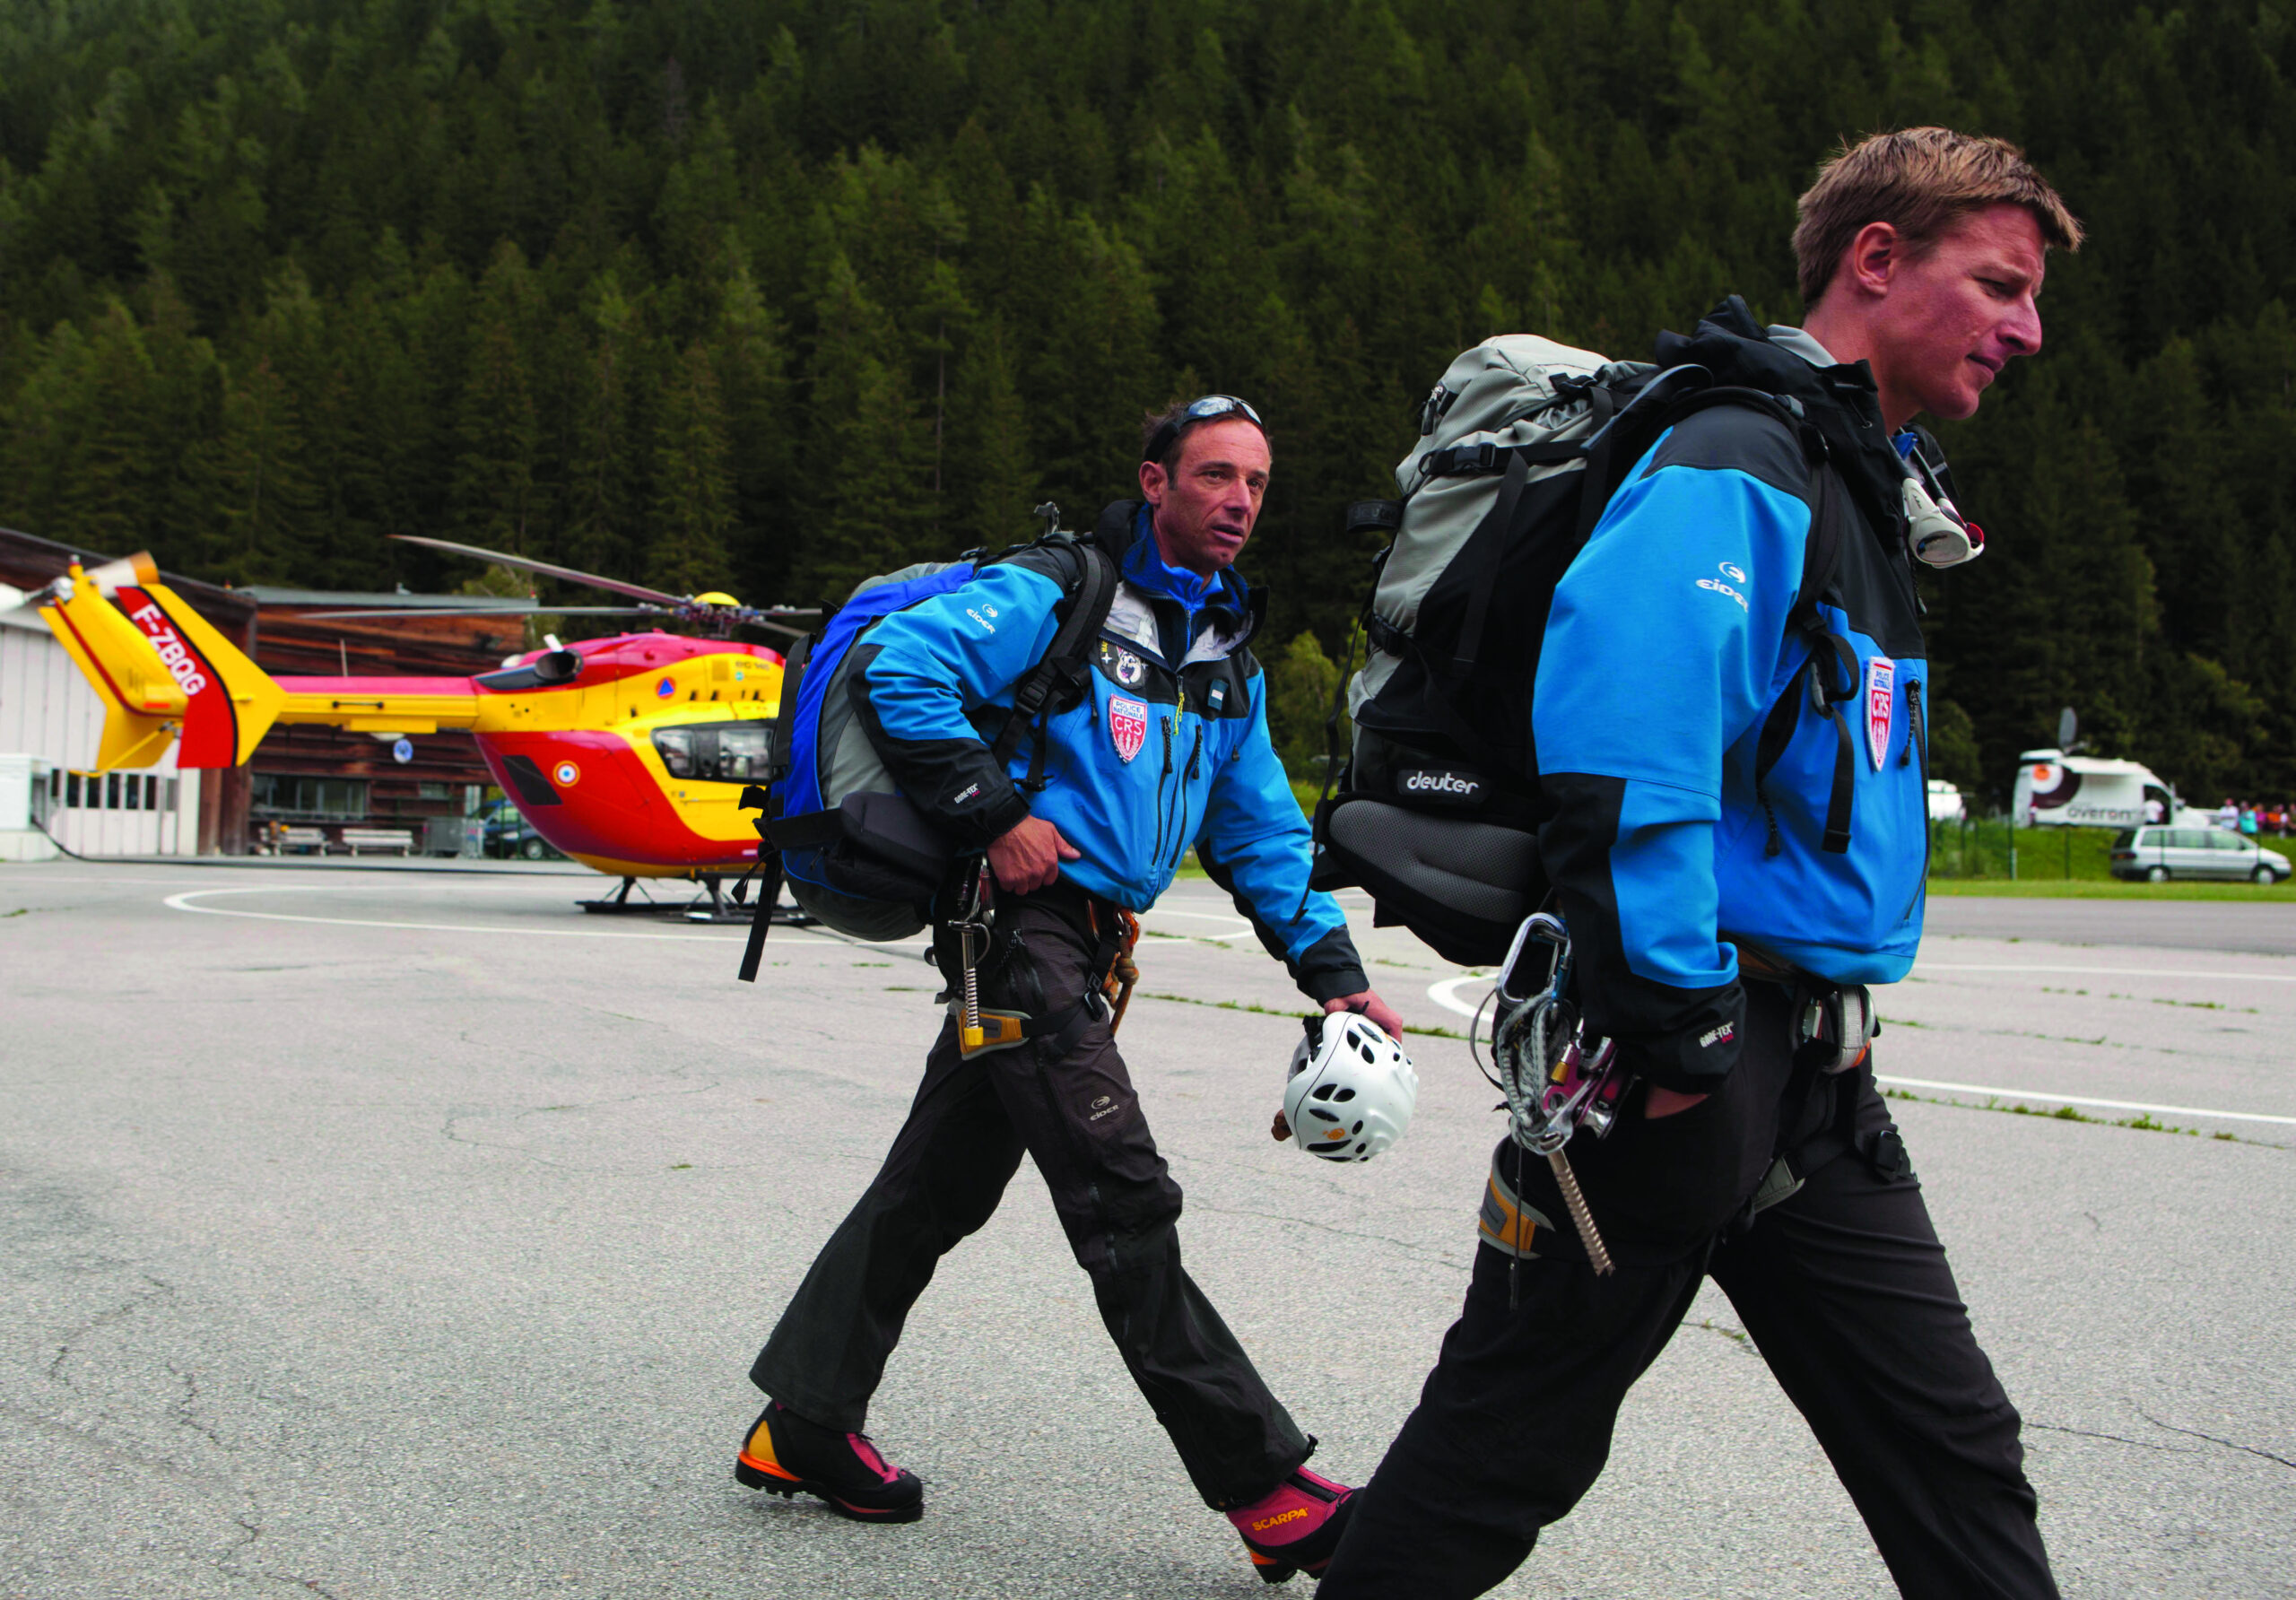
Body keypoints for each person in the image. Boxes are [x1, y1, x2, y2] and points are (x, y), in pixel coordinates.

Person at [1318, 128, 2082, 1599]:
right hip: (1690, 1058)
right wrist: (1674, 1030)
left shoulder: (1860, 484)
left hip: (1814, 1082)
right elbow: (1631, 746)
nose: (2027, 328)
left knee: (1954, 1448)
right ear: (1876, 259)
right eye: (1999, 283)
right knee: (1500, 1458)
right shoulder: (1743, 456)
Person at [733, 395, 1401, 1583]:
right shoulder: (1064, 591)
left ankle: (805, 1425)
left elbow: (1261, 841)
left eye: (1255, 481)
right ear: (1155, 483)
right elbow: (904, 666)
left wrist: (1339, 980)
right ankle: (1266, 1488)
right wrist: (995, 815)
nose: (1240, 501)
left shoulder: (1224, 662)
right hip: (1018, 932)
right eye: (1213, 477)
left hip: (1085, 943)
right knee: (1123, 1196)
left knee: (932, 1188)